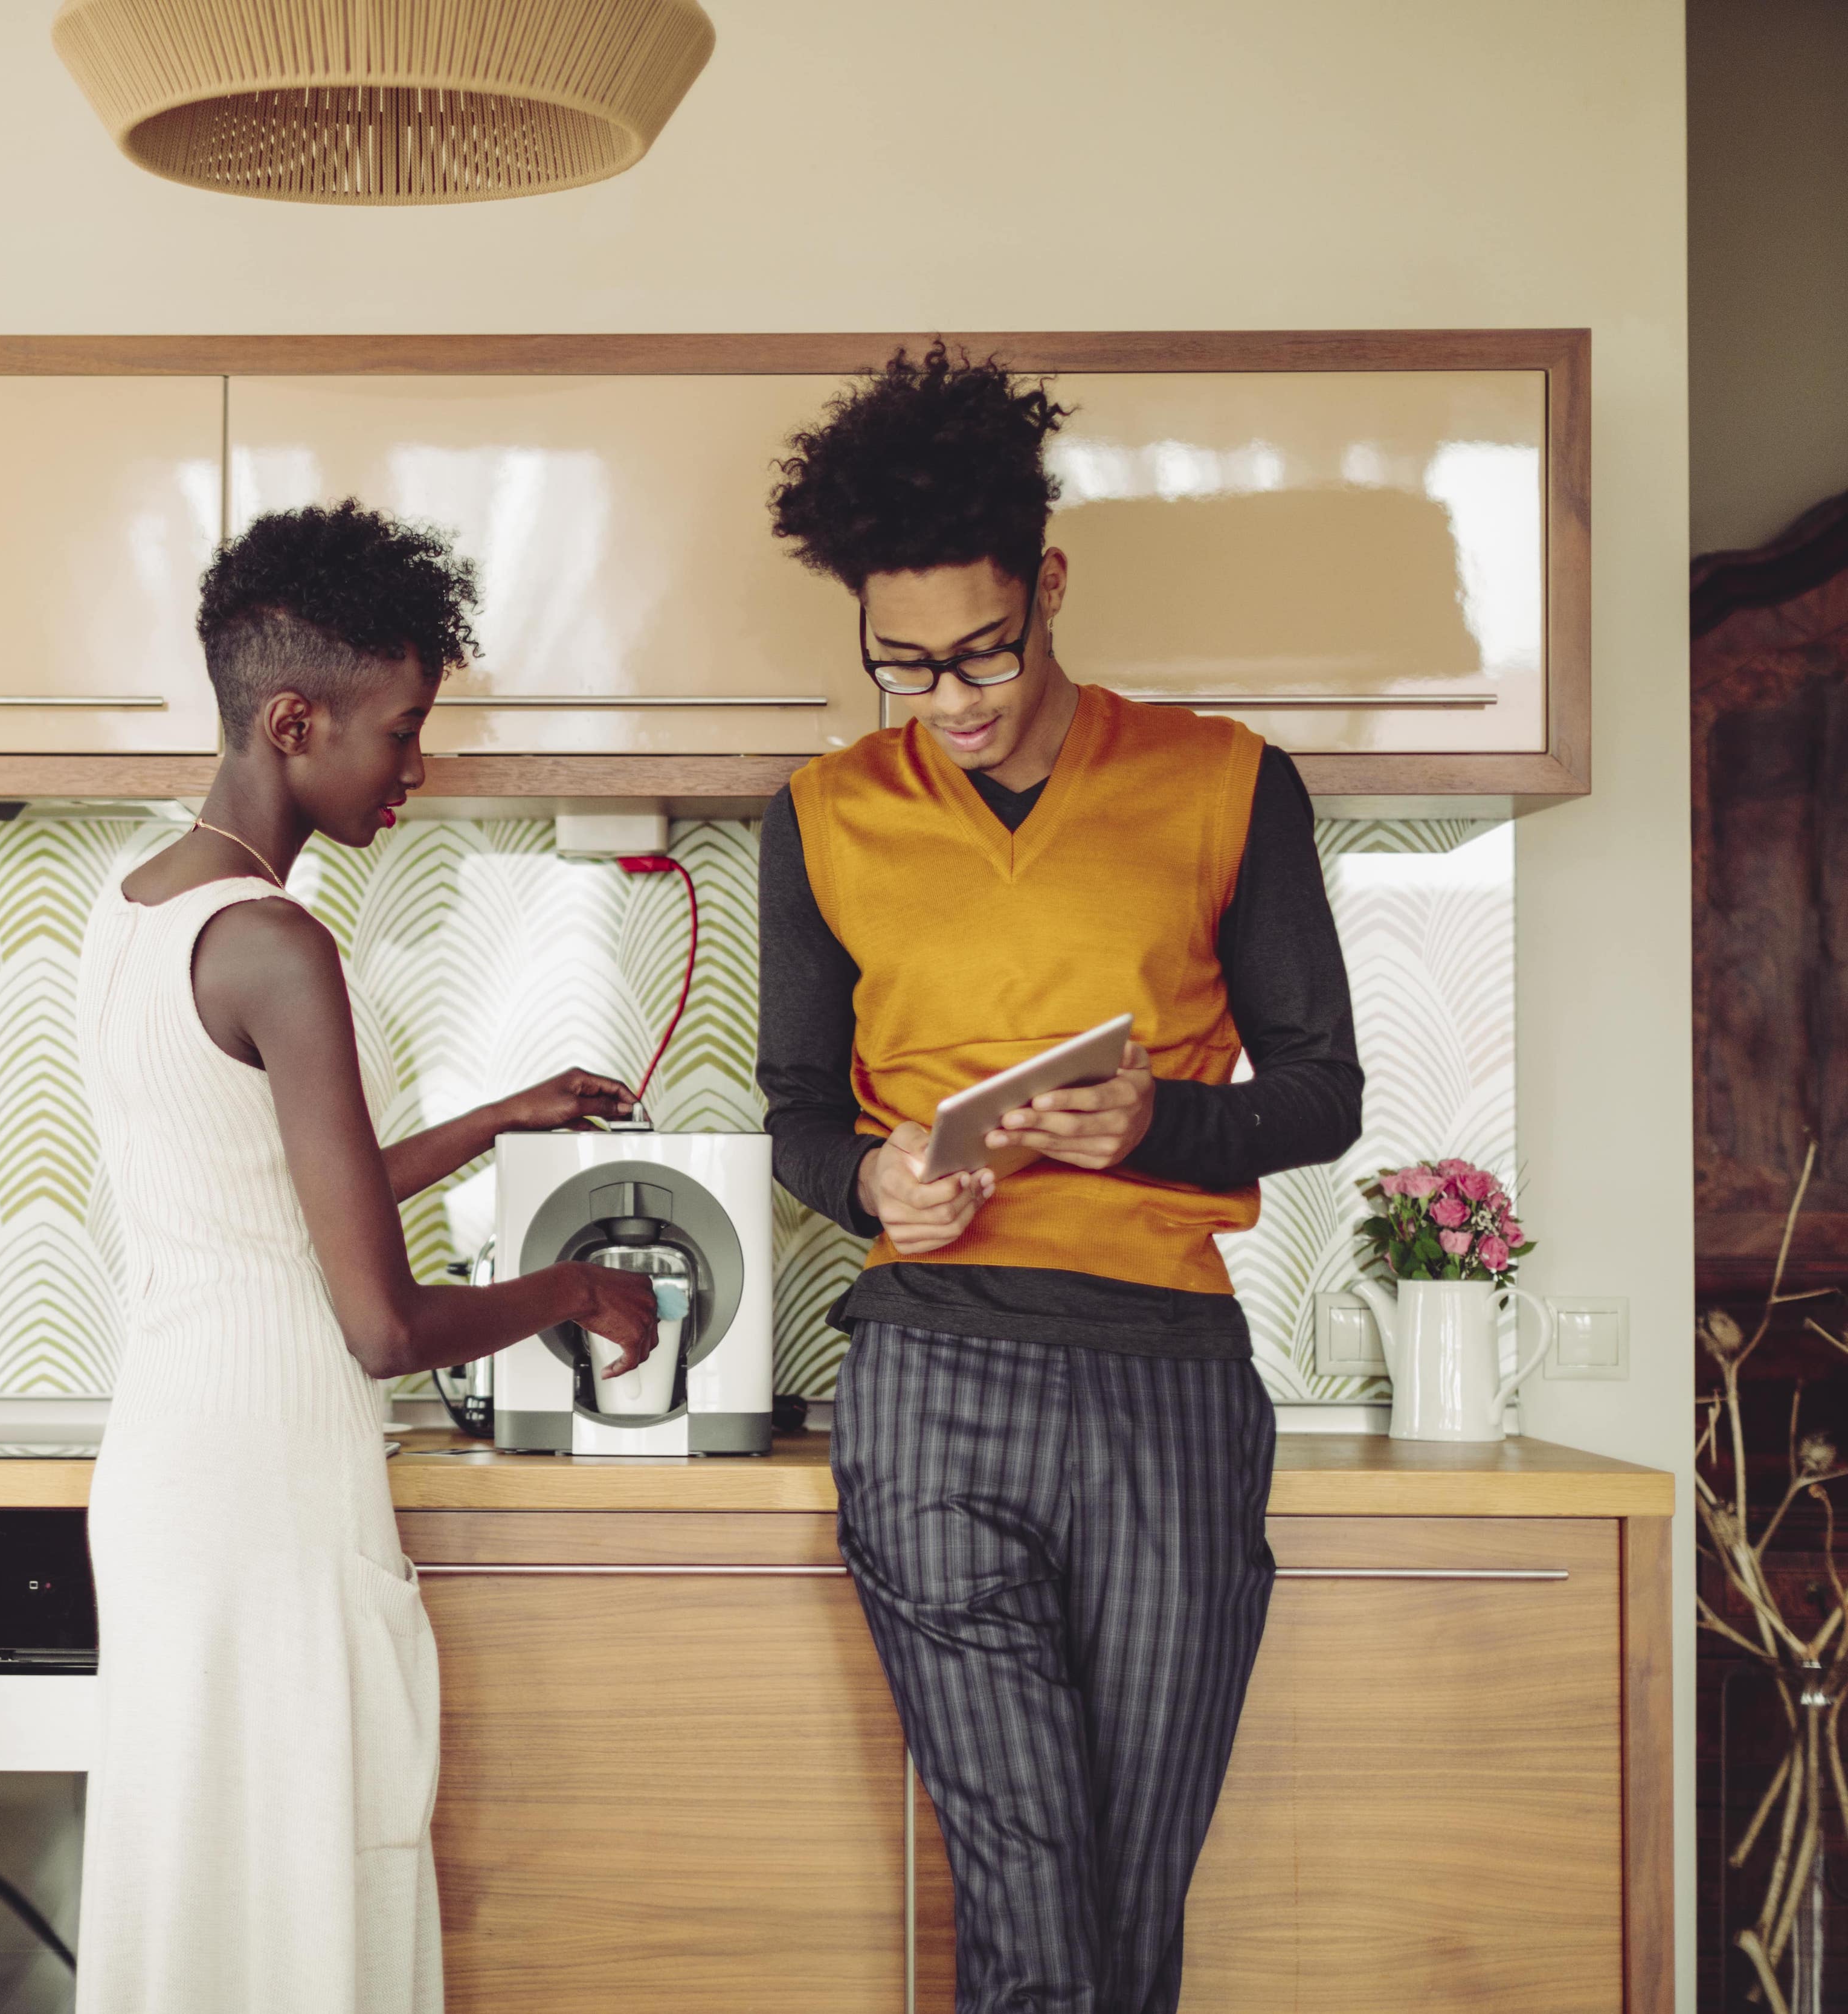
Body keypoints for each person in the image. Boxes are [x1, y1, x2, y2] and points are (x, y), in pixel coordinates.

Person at [755, 347, 1363, 2013]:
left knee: (1125, 1890)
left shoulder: (1227, 778)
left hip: (1166, 1385)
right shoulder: (822, 814)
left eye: (984, 648)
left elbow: (1323, 1093)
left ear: (1050, 585)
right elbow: (797, 1109)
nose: (951, 697)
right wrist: (874, 1178)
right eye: (904, 665)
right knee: (1027, 1891)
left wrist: (1153, 1123)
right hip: (933, 1379)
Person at [72, 500, 665, 2014]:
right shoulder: (277, 942)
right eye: (401, 731)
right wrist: (576, 1290)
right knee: (301, 1879)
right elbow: (382, 1320)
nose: (416, 767)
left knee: (202, 1873)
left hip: (169, 1466)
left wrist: (494, 1118)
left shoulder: (134, 910)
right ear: (293, 718)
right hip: (266, 1478)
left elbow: (264, 1196)